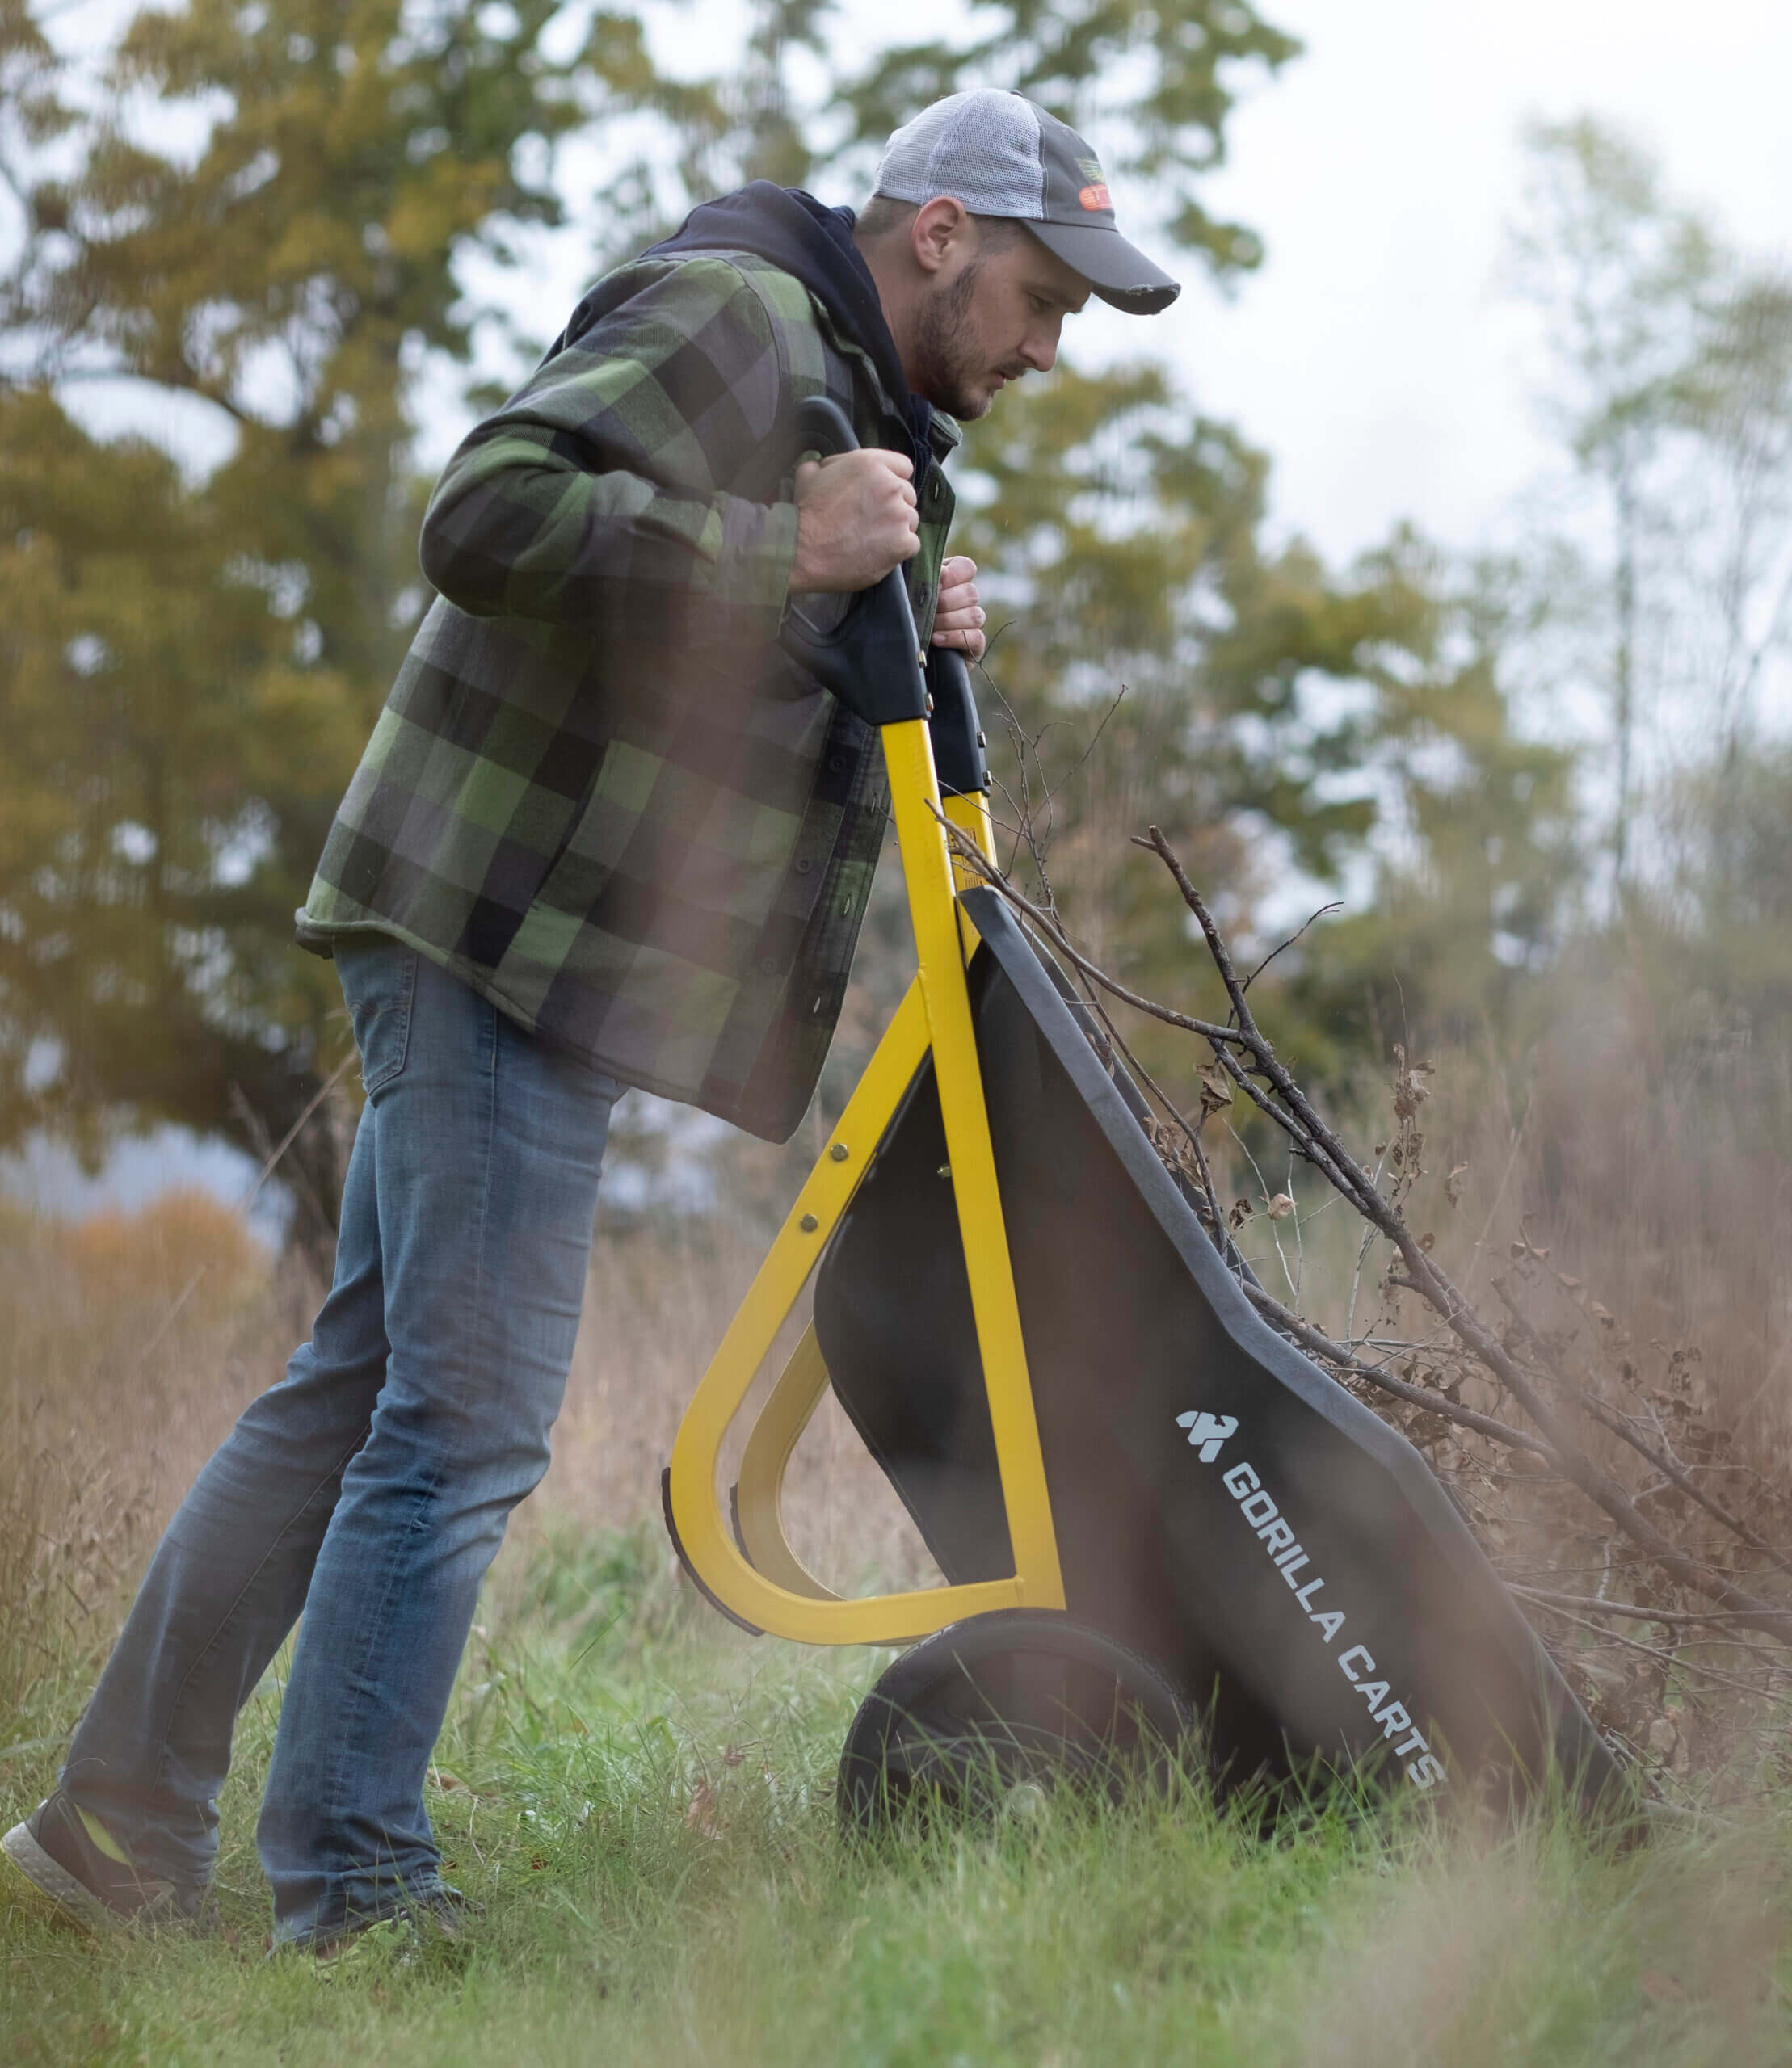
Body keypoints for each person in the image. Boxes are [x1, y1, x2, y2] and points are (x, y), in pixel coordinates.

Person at [4, 89, 1179, 1952]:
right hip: (488, 929)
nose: (1046, 349)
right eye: (1041, 300)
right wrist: (779, 553)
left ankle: (111, 1832)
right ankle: (356, 1888)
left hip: (523, 943)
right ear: (940, 233)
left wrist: (886, 623)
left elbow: (702, 677)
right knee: (459, 1418)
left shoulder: (861, 405)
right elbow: (485, 512)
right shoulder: (732, 314)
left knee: (356, 1393)